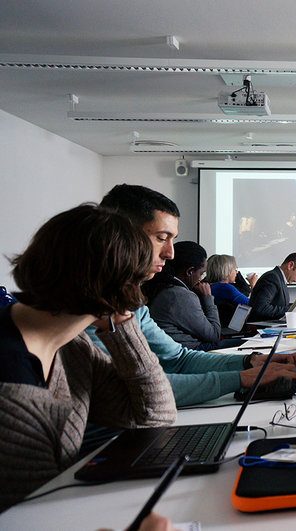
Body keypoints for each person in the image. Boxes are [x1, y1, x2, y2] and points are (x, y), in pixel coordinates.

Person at [0, 204, 177, 511]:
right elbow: (32, 513)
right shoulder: (12, 387)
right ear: (121, 286)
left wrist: (119, 323)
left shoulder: (73, 346)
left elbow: (154, 415)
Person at [93, 184, 296, 407]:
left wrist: (250, 362)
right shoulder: (86, 311)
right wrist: (241, 378)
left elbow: (180, 359)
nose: (170, 253)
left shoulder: (132, 305)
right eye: (161, 238)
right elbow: (132, 392)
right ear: (120, 236)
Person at [144, 242, 243, 350]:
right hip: (193, 351)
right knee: (246, 345)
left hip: (184, 347)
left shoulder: (161, 286)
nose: (200, 279)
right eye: (201, 274)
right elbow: (214, 335)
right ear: (190, 271)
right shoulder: (179, 295)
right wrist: (208, 298)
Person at [249, 252, 296, 321]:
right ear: (290, 265)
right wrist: (291, 311)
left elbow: (279, 305)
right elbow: (261, 308)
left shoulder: (280, 278)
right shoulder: (272, 278)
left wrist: (295, 307)